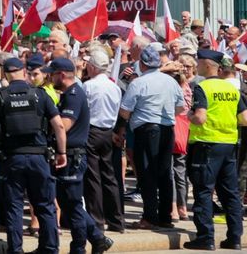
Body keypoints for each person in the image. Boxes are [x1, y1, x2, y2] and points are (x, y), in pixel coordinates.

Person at [0, 57, 67, 254]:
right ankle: (50, 248)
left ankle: (16, 249)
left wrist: (1, 137)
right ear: (24, 72)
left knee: (14, 207)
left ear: (5, 74)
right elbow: (59, 126)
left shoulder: (0, 96)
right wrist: (62, 152)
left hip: (12, 158)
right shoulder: (40, 95)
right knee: (45, 205)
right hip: (39, 157)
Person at [44, 57, 112, 254]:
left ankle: (79, 247)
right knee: (68, 203)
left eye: (53, 74)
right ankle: (98, 238)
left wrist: (48, 119)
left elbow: (64, 126)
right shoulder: (68, 94)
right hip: (69, 156)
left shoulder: (74, 95)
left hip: (73, 157)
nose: (50, 77)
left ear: (62, 75)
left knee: (72, 205)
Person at [116, 44, 186, 229]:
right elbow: (181, 108)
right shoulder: (170, 81)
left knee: (147, 173)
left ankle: (149, 217)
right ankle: (165, 216)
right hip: (166, 128)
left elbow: (124, 111)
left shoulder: (138, 82)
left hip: (147, 129)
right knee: (164, 173)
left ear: (143, 63)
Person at [184, 49, 247, 250]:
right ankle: (235, 238)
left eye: (199, 62)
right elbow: (244, 119)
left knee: (203, 190)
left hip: (206, 144)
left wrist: (189, 116)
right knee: (230, 192)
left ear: (207, 64)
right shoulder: (232, 90)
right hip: (229, 145)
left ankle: (205, 238)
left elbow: (200, 117)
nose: (196, 65)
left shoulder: (202, 87)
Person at [82, 48, 124, 233]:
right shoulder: (114, 86)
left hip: (92, 131)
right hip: (108, 132)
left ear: (92, 67)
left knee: (93, 178)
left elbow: (84, 111)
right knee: (109, 176)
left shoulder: (88, 86)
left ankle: (97, 221)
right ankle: (116, 220)